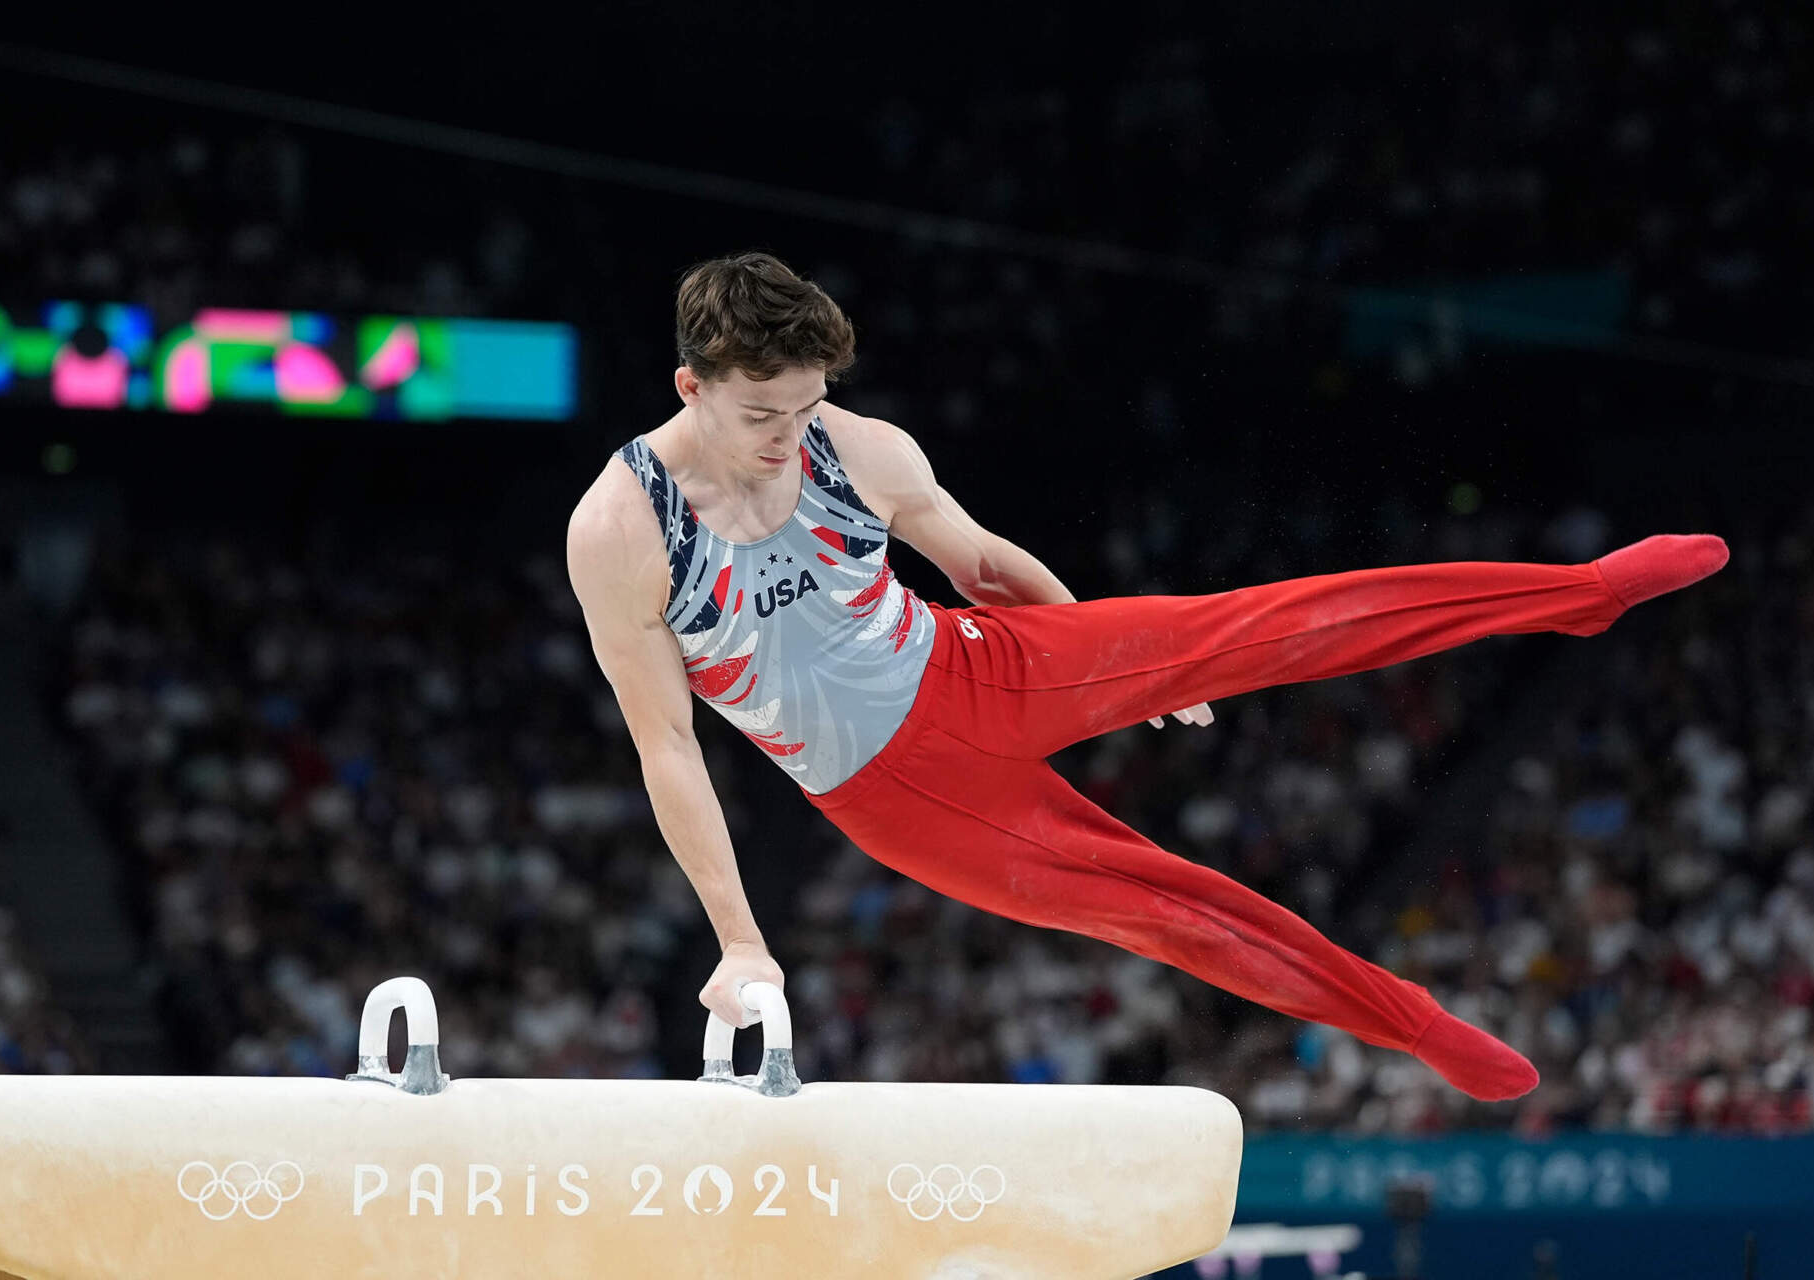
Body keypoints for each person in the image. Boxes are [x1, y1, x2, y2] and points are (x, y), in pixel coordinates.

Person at [565, 251, 1728, 1101]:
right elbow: (668, 746)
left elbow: (977, 564)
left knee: (1260, 623)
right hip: (899, 794)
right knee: (1168, 906)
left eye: (807, 404)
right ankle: (1414, 1023)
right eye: (766, 412)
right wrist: (741, 940)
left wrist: (1120, 657)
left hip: (979, 667)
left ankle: (1579, 594)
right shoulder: (623, 530)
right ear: (691, 387)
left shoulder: (858, 447)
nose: (790, 433)